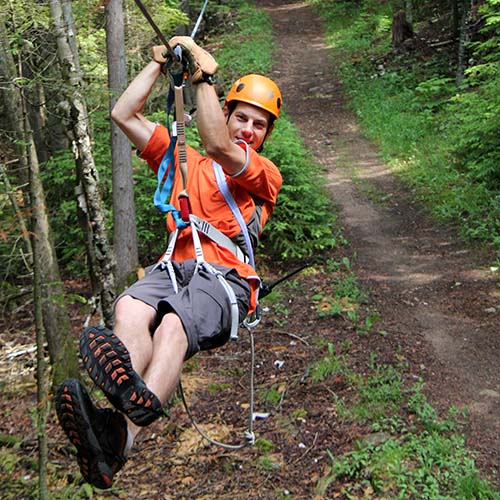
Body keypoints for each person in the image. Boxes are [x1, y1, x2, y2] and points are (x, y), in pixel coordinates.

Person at [55, 36, 283, 489]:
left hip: (224, 279)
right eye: (242, 116)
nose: (248, 129)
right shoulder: (183, 158)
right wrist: (158, 66)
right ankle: (118, 418)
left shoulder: (262, 174)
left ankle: (129, 427)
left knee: (175, 325)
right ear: (224, 112)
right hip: (171, 268)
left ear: (264, 136)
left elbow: (218, 143)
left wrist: (204, 77)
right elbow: (123, 115)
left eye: (259, 125)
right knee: (130, 309)